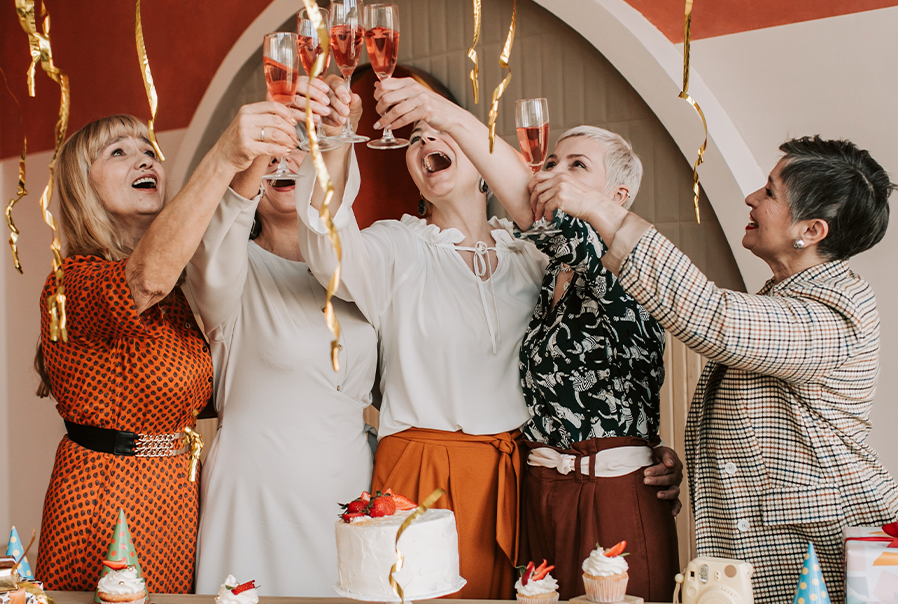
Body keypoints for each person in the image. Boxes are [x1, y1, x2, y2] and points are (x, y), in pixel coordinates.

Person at [528, 135, 898, 604]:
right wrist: (671, 458)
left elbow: (714, 318)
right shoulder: (784, 295)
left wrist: (598, 209)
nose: (752, 197)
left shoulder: (839, 312)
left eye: (770, 192)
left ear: (812, 231)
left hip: (820, 552)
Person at [372, 78, 681, 601]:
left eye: (577, 165)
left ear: (619, 197)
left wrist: (441, 114)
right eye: (552, 162)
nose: (554, 174)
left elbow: (537, 214)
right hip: (541, 492)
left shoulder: (624, 264)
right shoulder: (542, 272)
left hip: (611, 493)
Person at [295, 78, 547, 599]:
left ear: (482, 155)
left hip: (515, 474)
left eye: (444, 131)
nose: (426, 142)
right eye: (413, 138)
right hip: (418, 472)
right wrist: (340, 136)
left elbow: (561, 221)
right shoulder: (397, 247)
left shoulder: (532, 257)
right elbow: (327, 246)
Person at [34, 106, 298, 592]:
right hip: (104, 495)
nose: (145, 160)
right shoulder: (70, 282)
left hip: (176, 495)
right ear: (82, 188)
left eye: (149, 151)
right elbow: (144, 279)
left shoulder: (179, 292)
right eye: (119, 152)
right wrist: (224, 155)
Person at [188, 77, 378, 596]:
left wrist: (337, 137)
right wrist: (258, 151)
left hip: (347, 486)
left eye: (300, 147)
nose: (286, 160)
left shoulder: (362, 269)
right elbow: (214, 246)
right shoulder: (231, 267)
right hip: (255, 494)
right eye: (275, 150)